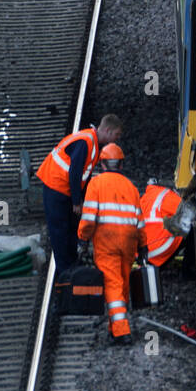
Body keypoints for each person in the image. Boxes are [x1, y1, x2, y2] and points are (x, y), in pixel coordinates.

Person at [36, 114, 123, 276]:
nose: (116, 139)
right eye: (116, 135)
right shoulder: (86, 142)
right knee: (60, 230)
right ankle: (65, 271)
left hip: (63, 188)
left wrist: (84, 199)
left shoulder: (93, 144)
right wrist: (77, 202)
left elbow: (84, 175)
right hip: (56, 186)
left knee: (70, 227)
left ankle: (71, 265)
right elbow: (75, 173)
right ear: (108, 130)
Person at [77, 143, 146, 343]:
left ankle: (122, 330)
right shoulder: (131, 187)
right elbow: (140, 221)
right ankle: (115, 327)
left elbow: (89, 218)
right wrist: (143, 246)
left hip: (107, 242)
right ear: (121, 165)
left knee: (113, 284)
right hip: (128, 241)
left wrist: (82, 239)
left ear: (102, 165)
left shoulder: (96, 184)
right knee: (122, 283)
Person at [140, 181, 189, 270]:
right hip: (157, 249)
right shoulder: (167, 195)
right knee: (191, 224)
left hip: (141, 253)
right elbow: (186, 211)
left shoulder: (145, 198)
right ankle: (190, 270)